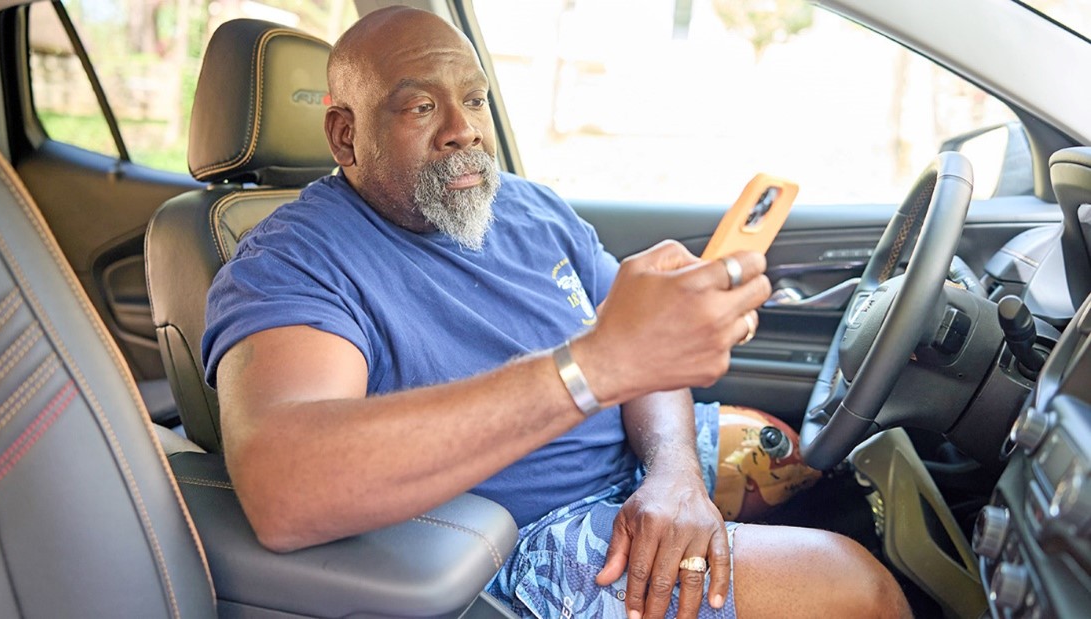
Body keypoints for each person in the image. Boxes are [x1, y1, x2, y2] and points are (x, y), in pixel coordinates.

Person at [202, 7, 911, 618]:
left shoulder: (526, 206)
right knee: (852, 587)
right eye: (421, 108)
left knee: (804, 461)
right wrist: (595, 365)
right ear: (345, 135)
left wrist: (672, 474)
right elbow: (287, 485)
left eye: (475, 101)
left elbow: (644, 350)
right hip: (523, 534)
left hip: (638, 464)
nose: (463, 131)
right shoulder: (296, 259)